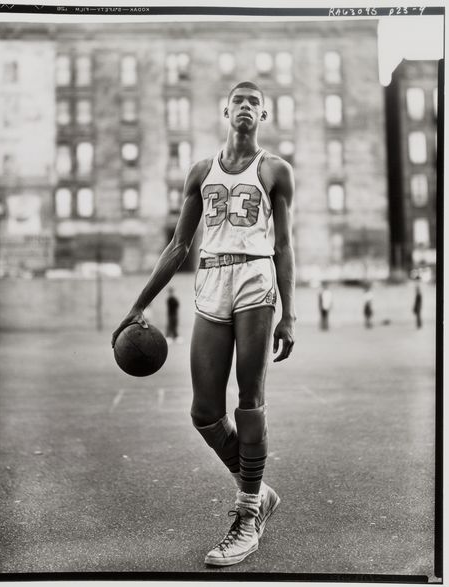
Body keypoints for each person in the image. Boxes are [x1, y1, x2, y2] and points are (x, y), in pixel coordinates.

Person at [111, 81, 296, 567]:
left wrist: (290, 314)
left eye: (255, 104)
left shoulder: (275, 170)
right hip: (211, 280)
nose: (246, 108)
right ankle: (260, 491)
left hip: (256, 277)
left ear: (264, 115)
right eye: (239, 101)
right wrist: (138, 305)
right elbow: (177, 247)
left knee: (249, 400)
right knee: (204, 413)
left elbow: (285, 248)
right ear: (225, 110)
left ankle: (247, 513)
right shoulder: (200, 171)